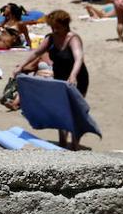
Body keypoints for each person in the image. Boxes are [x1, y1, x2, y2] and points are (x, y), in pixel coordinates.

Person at [13, 9, 89, 149]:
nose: (54, 30)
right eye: (52, 27)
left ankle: (75, 144)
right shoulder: (51, 38)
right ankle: (62, 142)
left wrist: (73, 75)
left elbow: (79, 58)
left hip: (77, 77)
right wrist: (21, 66)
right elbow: (37, 52)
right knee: (61, 110)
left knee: (73, 111)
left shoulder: (73, 38)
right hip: (60, 78)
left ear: (65, 25)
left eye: (57, 27)